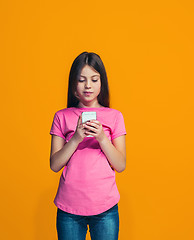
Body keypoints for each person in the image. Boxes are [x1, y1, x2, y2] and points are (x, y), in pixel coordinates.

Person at [49, 51, 127, 240]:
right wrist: (76, 138)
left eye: (94, 79)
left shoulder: (115, 116)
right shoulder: (62, 116)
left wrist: (101, 138)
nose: (88, 85)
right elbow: (54, 164)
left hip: (105, 208)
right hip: (69, 208)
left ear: (102, 82)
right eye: (82, 80)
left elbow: (121, 165)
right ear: (74, 84)